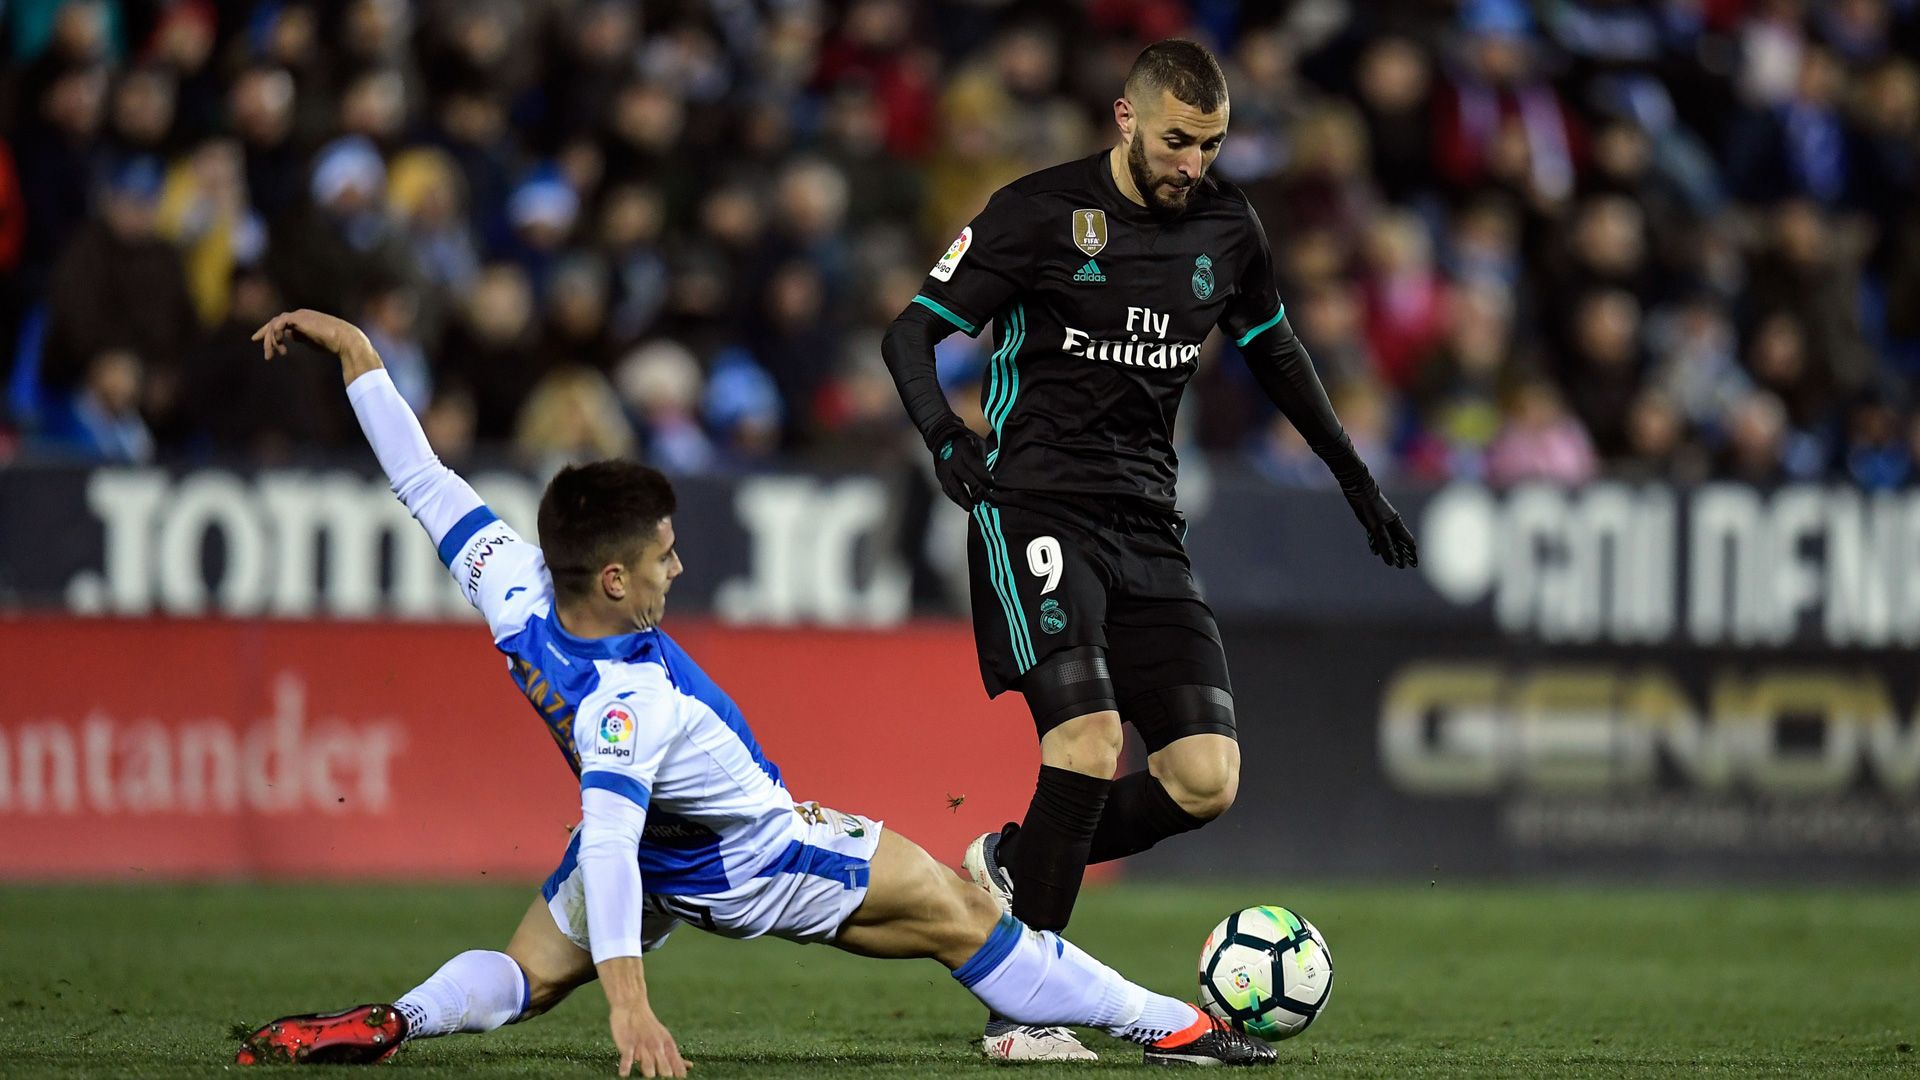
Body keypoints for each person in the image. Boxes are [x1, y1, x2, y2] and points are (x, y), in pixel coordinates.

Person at [231, 309, 1277, 1076]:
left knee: (521, 979)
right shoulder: (626, 703)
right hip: (759, 855)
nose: (676, 572)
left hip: (658, 857)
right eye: (665, 558)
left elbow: (426, 485)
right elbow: (603, 831)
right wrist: (631, 1015)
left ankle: (396, 1020)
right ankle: (1176, 1028)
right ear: (613, 579)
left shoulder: (516, 591)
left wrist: (360, 356)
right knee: (966, 913)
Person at [882, 40, 1417, 1061]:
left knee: (1207, 779)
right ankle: (1024, 1008)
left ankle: (1008, 859)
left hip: (1147, 522)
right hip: (1033, 505)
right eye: (1179, 141)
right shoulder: (1036, 212)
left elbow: (1274, 348)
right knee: (1087, 742)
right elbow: (910, 334)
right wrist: (948, 440)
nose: (1194, 164)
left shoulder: (1228, 223)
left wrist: (1353, 476)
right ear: (1128, 120)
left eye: (1211, 145)